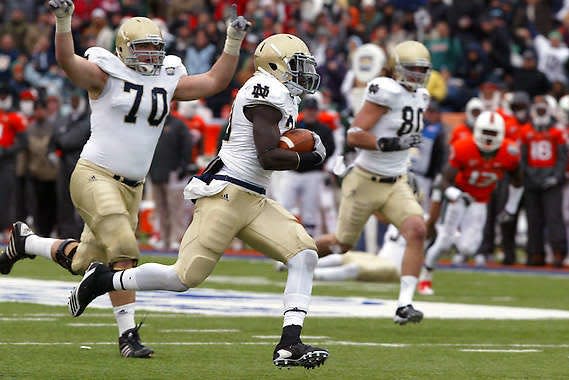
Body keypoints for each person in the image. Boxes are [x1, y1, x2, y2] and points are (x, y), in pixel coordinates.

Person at [0, 0, 251, 359]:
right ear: (122, 50)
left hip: (133, 186)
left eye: (154, 48)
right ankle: (127, 336)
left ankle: (26, 243)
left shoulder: (167, 78)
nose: (149, 56)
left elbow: (214, 81)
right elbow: (68, 61)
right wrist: (63, 20)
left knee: (81, 262)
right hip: (94, 174)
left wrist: (232, 41)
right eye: (142, 48)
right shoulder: (106, 73)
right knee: (124, 248)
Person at [66, 33, 329, 369]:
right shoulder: (265, 89)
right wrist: (309, 157)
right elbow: (268, 156)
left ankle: (289, 343)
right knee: (182, 279)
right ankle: (103, 281)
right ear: (275, 65)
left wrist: (300, 148)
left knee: (304, 253)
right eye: (296, 65)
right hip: (226, 194)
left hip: (255, 198)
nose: (302, 73)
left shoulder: (285, 95)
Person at [316, 40, 431, 325]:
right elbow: (355, 134)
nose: (417, 74)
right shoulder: (385, 90)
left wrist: (405, 163)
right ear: (397, 68)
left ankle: (405, 304)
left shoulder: (423, 96)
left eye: (421, 69)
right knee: (341, 244)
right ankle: (291, 253)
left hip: (396, 181)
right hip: (365, 179)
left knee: (417, 230)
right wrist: (391, 143)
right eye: (412, 68)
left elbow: (406, 144)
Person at [419, 111, 523, 295]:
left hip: (480, 202)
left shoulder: (510, 152)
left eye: (492, 133)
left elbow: (518, 181)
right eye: (485, 132)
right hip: (459, 198)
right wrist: (455, 194)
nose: (488, 137)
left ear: (501, 133)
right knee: (443, 244)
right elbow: (444, 179)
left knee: (468, 249)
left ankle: (452, 235)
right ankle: (426, 274)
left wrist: (511, 207)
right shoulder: (464, 147)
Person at [519, 95, 568, 266]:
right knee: (534, 219)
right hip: (532, 180)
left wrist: (555, 177)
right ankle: (535, 252)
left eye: (543, 109)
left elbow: (563, 158)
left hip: (551, 181)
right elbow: (522, 158)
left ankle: (558, 252)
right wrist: (527, 176)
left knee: (554, 218)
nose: (540, 112)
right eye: (538, 109)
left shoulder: (557, 130)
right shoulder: (526, 130)